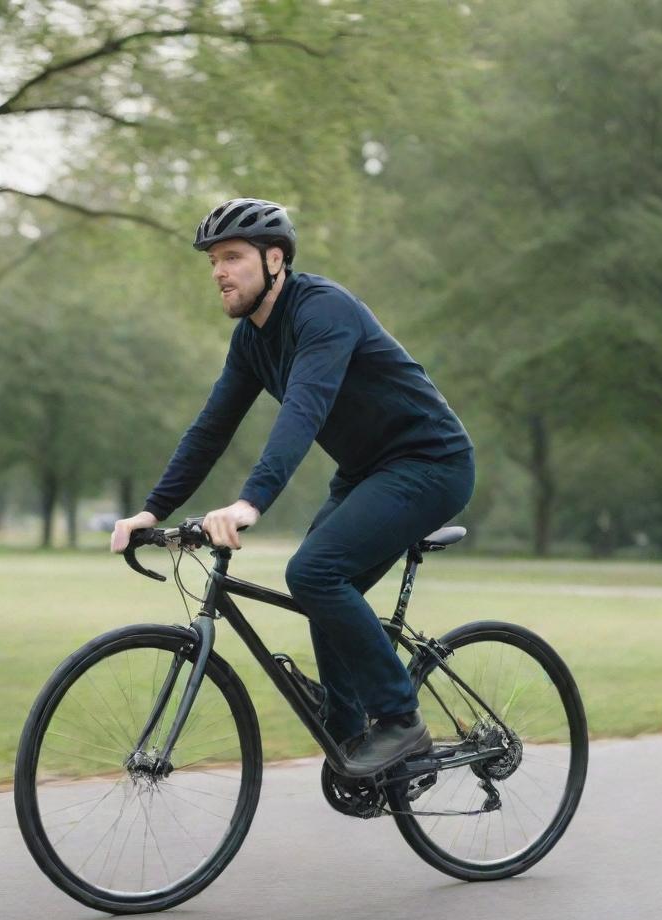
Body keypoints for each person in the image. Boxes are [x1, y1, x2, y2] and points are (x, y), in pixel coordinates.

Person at [111, 197, 475, 774]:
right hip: (365, 472)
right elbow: (210, 429)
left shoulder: (323, 311)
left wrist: (252, 501)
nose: (219, 272)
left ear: (275, 259)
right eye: (213, 261)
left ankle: (401, 721)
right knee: (319, 583)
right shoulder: (252, 341)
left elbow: (302, 412)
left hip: (430, 462)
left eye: (232, 257)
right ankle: (350, 733)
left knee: (314, 571)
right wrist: (151, 512)